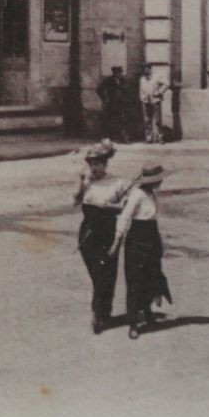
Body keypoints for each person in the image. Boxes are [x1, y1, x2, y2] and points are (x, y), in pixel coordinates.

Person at [109, 164, 173, 339]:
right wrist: (117, 241)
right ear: (151, 180)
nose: (161, 182)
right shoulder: (137, 195)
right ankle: (133, 323)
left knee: (151, 276)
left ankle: (148, 312)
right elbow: (124, 217)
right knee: (135, 280)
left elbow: (152, 219)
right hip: (137, 241)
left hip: (152, 238)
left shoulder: (151, 194)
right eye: (158, 179)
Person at [73, 140, 131, 334]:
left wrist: (111, 207)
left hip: (108, 232)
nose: (94, 167)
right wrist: (81, 184)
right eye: (91, 164)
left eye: (97, 163)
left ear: (105, 164)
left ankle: (99, 314)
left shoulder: (118, 182)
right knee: (97, 275)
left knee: (105, 272)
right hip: (88, 233)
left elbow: (127, 206)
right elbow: (75, 201)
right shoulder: (86, 181)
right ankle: (103, 310)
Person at [140, 64, 170, 144]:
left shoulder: (157, 77)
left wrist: (159, 92)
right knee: (146, 120)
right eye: (144, 69)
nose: (145, 71)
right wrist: (142, 98)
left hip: (155, 101)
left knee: (158, 120)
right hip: (146, 102)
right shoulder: (142, 79)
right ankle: (148, 138)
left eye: (147, 69)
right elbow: (141, 90)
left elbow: (167, 83)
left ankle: (160, 138)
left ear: (150, 69)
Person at [96, 67, 127, 140]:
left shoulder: (122, 81)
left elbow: (125, 91)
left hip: (120, 104)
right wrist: (104, 99)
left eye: (120, 72)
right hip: (111, 104)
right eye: (118, 72)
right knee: (110, 121)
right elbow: (98, 89)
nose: (120, 74)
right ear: (114, 73)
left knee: (120, 120)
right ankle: (110, 137)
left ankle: (120, 137)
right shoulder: (108, 81)